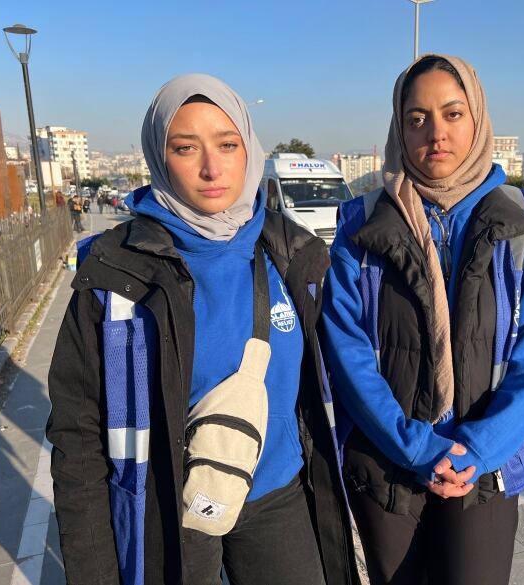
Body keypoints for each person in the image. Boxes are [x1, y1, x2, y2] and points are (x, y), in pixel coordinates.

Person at [47, 74, 358, 585]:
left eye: (227, 144)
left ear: (249, 150)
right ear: (157, 155)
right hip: (169, 510)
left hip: (278, 499)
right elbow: (78, 435)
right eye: (186, 147)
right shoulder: (116, 273)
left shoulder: (296, 256)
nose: (212, 167)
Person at [321, 54, 524, 585]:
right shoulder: (362, 227)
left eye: (452, 114)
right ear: (398, 128)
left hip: (487, 466)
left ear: (477, 121)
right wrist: (418, 448)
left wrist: (477, 449)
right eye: (417, 118)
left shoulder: (523, 223)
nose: (435, 132)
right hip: (389, 465)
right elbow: (348, 353)